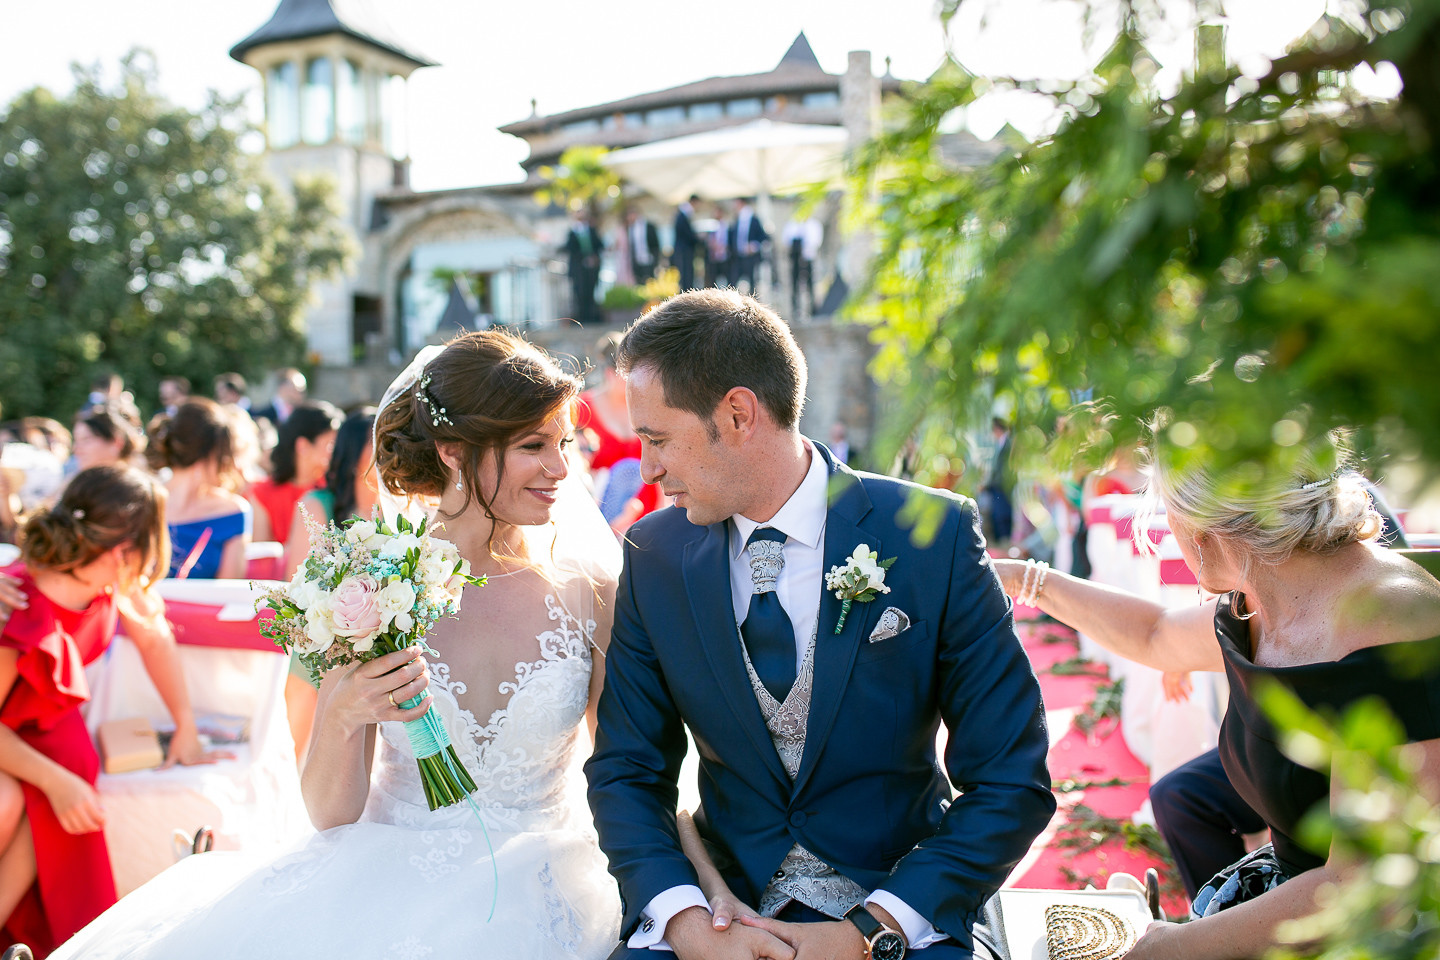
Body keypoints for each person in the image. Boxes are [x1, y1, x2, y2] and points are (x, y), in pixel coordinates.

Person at [45, 330, 624, 960]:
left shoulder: (588, 592)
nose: (562, 468)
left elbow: (623, 772)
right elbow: (330, 813)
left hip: (548, 883)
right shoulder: (375, 586)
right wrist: (344, 712)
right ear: (455, 451)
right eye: (534, 446)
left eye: (562, 443)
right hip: (384, 883)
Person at [585, 289, 1055, 960]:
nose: (649, 467)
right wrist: (685, 921)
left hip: (899, 910)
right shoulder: (654, 554)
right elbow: (628, 773)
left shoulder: (931, 536)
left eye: (659, 440)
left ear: (739, 414)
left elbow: (1012, 777)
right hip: (725, 912)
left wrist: (874, 929)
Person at [991, 430, 1440, 958]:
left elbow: (1365, 887)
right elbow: (1155, 633)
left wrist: (1177, 947)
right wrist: (1024, 579)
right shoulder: (1267, 597)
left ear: (1205, 531)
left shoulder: (1390, 622)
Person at [0, 466, 225, 956]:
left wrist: (185, 727)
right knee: (12, 804)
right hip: (15, 751)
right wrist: (57, 781)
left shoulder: (111, 585)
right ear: (126, 549)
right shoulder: (14, 603)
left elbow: (155, 638)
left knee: (46, 810)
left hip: (51, 750)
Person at [279, 407, 379, 763]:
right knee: (308, 660)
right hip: (322, 639)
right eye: (378, 445)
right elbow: (299, 589)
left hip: (381, 642)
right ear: (354, 454)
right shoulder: (317, 506)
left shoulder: (401, 513)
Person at [147, 399, 252, 580]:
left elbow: (228, 593)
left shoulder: (233, 512)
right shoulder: (143, 503)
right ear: (211, 452)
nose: (233, 463)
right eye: (227, 452)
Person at [577, 334, 661, 533]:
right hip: (602, 529)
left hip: (650, 522)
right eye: (628, 377)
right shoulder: (580, 410)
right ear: (609, 373)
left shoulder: (652, 409)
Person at [245, 401, 341, 546]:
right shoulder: (262, 493)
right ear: (303, 446)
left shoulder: (336, 488)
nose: (335, 452)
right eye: (331, 444)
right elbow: (263, 559)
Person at [69, 408, 143, 474]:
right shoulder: (78, 483)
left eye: (86, 440)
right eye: (76, 441)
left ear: (116, 443)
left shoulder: (133, 486)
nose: (76, 449)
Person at [781, 214, 822, 320]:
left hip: (808, 258)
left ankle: (813, 309)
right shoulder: (793, 224)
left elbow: (815, 241)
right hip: (795, 258)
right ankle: (796, 309)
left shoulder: (813, 224)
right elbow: (786, 239)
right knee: (795, 286)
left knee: (810, 285)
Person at [567, 211, 603, 324]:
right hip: (578, 269)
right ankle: (581, 318)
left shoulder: (591, 231)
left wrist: (593, 258)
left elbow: (599, 245)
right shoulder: (573, 233)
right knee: (579, 293)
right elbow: (570, 249)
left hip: (591, 269)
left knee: (590, 291)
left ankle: (591, 317)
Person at [982, 418, 1014, 546]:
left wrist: (987, 485)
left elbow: (1004, 472)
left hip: (1002, 490)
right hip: (998, 490)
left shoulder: (1008, 444)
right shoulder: (1002, 444)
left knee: (1002, 519)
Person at [732, 199, 768, 295]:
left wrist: (753, 246)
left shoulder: (753, 219)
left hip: (751, 257)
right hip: (738, 256)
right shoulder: (737, 219)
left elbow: (763, 237)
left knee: (752, 283)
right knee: (734, 282)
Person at [672, 195, 700, 292]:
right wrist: (698, 239)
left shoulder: (683, 214)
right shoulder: (683, 215)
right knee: (686, 275)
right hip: (684, 250)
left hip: (684, 250)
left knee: (686, 274)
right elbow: (687, 234)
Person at [627, 209, 662, 284]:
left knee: (650, 282)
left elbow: (655, 243)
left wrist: (656, 258)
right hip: (637, 261)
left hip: (649, 259)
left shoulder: (649, 226)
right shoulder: (631, 228)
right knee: (640, 283)